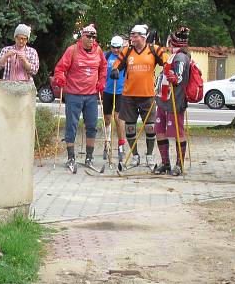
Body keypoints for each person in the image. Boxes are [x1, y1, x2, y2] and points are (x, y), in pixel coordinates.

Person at [109, 24, 168, 168]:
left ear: (142, 37)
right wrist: (115, 70)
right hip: (129, 96)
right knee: (130, 128)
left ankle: (149, 155)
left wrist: (169, 68)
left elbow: (167, 60)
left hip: (147, 95)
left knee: (150, 127)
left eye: (134, 36)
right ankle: (135, 156)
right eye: (131, 35)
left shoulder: (154, 50)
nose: (132, 38)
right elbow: (117, 63)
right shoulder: (127, 51)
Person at [53, 23, 107, 173]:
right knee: (71, 126)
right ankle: (71, 157)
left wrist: (102, 81)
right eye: (89, 36)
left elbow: (103, 67)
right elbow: (60, 68)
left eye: (94, 37)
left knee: (92, 126)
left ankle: (89, 157)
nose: (91, 39)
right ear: (82, 36)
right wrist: (59, 78)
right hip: (74, 94)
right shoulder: (73, 50)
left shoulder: (98, 51)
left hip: (91, 96)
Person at [154, 27, 191, 176]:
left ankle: (179, 165)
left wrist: (174, 78)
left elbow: (179, 78)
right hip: (163, 100)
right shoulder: (171, 56)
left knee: (177, 133)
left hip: (175, 101)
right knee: (159, 131)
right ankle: (165, 163)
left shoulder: (181, 57)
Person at [102, 35, 127, 164]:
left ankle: (121, 146)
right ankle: (107, 143)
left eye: (118, 47)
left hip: (120, 92)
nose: (115, 50)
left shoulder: (124, 57)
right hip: (107, 91)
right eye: (113, 47)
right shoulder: (106, 56)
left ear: (121, 47)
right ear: (110, 46)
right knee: (107, 118)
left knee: (118, 118)